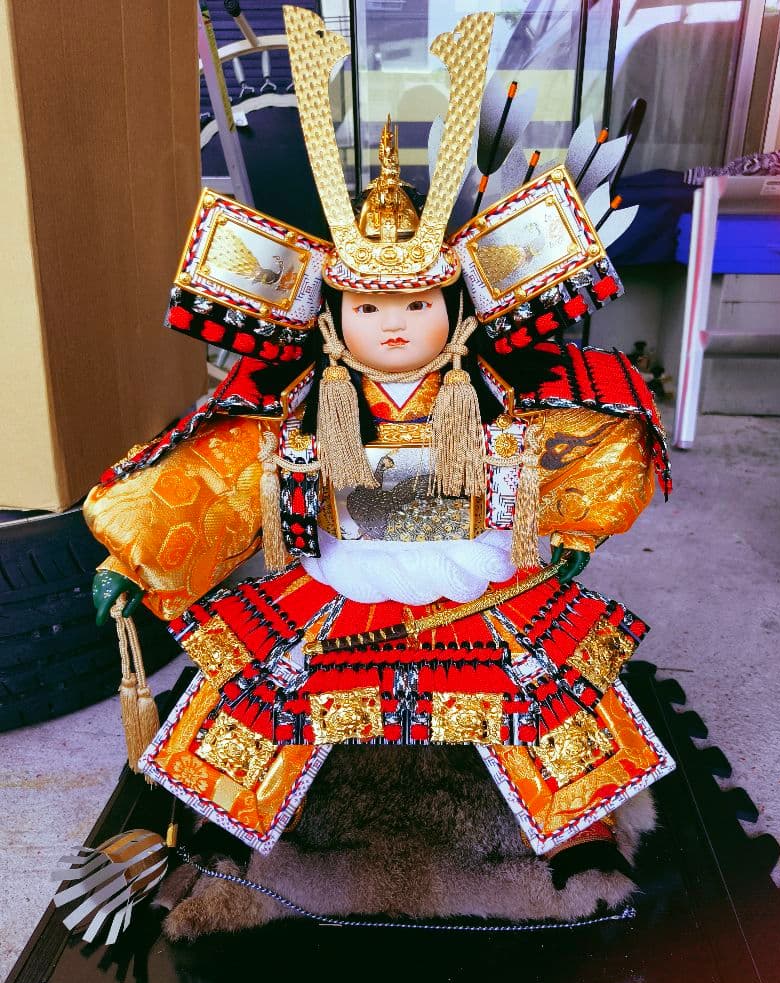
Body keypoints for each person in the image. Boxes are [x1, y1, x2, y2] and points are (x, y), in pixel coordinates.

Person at [84, 7, 673, 923]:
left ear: (456, 308)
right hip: (340, 570)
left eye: (417, 305)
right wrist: (137, 555)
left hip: (477, 570)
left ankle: (578, 837)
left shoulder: (497, 393)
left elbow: (583, 445)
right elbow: (218, 473)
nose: (393, 325)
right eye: (366, 308)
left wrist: (575, 528)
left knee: (543, 683)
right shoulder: (297, 401)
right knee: (263, 685)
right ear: (332, 316)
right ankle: (225, 830)